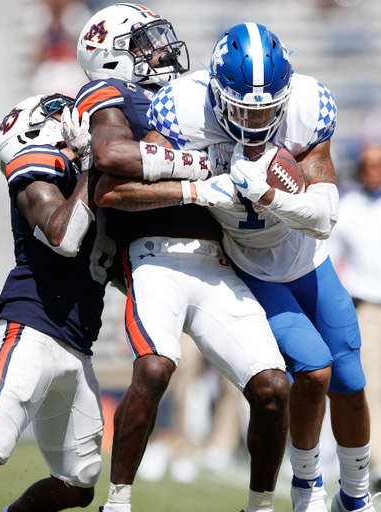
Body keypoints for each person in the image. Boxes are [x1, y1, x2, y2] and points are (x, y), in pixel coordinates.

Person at [93, 22, 375, 512]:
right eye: (245, 106)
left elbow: (324, 216)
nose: (258, 117)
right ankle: (307, 488)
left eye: (268, 106)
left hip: (307, 257)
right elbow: (116, 190)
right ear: (218, 93)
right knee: (313, 372)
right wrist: (200, 185)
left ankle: (354, 495)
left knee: (350, 381)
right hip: (249, 265)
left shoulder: (308, 103)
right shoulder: (184, 108)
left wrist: (266, 194)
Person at [71, 4, 290, 512]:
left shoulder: (196, 94)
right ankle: (119, 502)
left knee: (274, 386)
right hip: (154, 257)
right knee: (154, 368)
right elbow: (109, 165)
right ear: (112, 57)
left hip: (218, 261)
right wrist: (200, 179)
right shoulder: (113, 94)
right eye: (146, 42)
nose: (163, 50)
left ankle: (259, 507)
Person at [0, 93, 114, 512]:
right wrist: (90, 162)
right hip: (33, 327)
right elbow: (64, 237)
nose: (73, 119)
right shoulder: (34, 170)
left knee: (76, 488)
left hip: (78, 342)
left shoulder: (85, 180)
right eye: (58, 114)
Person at [328, 144, 381, 493]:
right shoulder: (350, 206)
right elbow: (330, 257)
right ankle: (378, 463)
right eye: (368, 165)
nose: (373, 170)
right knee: (372, 388)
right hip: (369, 308)